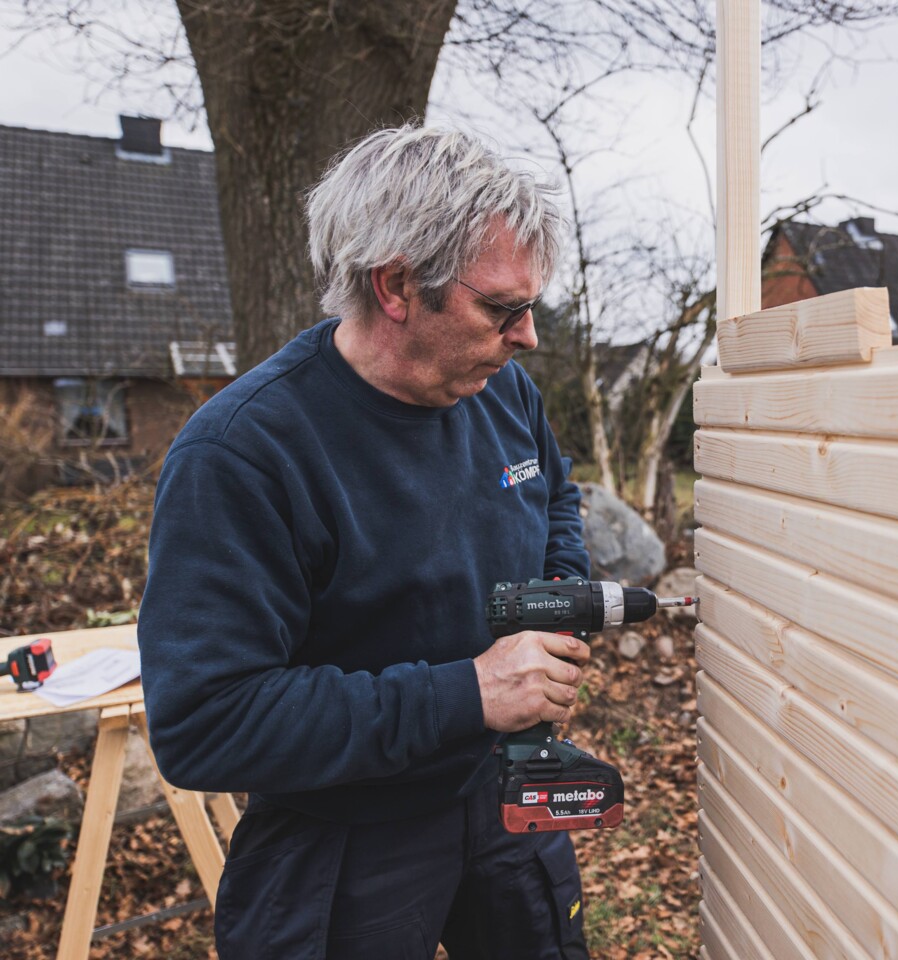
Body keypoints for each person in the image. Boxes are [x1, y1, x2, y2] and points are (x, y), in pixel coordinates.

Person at [138, 125, 593, 959]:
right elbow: (205, 721)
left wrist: (558, 597)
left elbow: (554, 494)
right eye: (502, 308)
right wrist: (468, 694)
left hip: (503, 792)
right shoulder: (245, 453)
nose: (527, 335)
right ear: (395, 286)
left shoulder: (504, 392)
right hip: (343, 837)